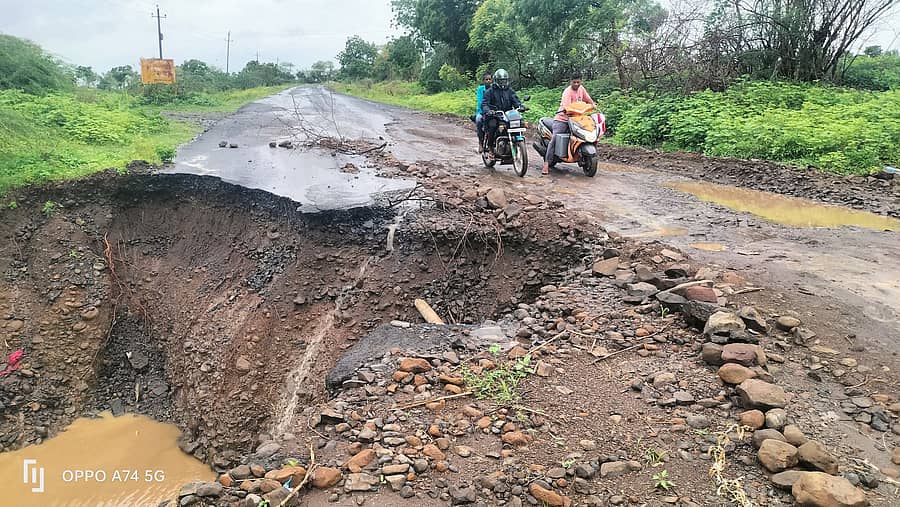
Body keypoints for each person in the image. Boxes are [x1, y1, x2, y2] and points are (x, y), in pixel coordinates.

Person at [542, 72, 595, 175]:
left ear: (581, 81)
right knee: (555, 139)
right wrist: (566, 110)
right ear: (570, 82)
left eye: (578, 82)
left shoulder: (581, 89)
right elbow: (567, 106)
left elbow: (587, 99)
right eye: (574, 82)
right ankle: (546, 164)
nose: (576, 84)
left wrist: (592, 104)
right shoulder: (567, 92)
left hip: (576, 119)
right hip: (562, 119)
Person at [481, 69, 522, 157]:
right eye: (501, 80)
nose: (503, 82)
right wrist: (488, 111)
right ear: (496, 80)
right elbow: (484, 103)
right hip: (495, 115)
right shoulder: (490, 91)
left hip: (508, 115)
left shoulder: (510, 91)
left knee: (519, 124)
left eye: (504, 80)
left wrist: (520, 107)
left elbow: (515, 100)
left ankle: (515, 144)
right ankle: (490, 147)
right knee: (492, 126)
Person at [474, 72, 492, 152]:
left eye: (489, 79)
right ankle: (480, 143)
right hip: (482, 111)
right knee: (478, 120)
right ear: (483, 81)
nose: (488, 81)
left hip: (493, 111)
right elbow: (480, 102)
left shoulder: (494, 89)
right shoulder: (480, 89)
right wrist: (485, 110)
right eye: (486, 79)